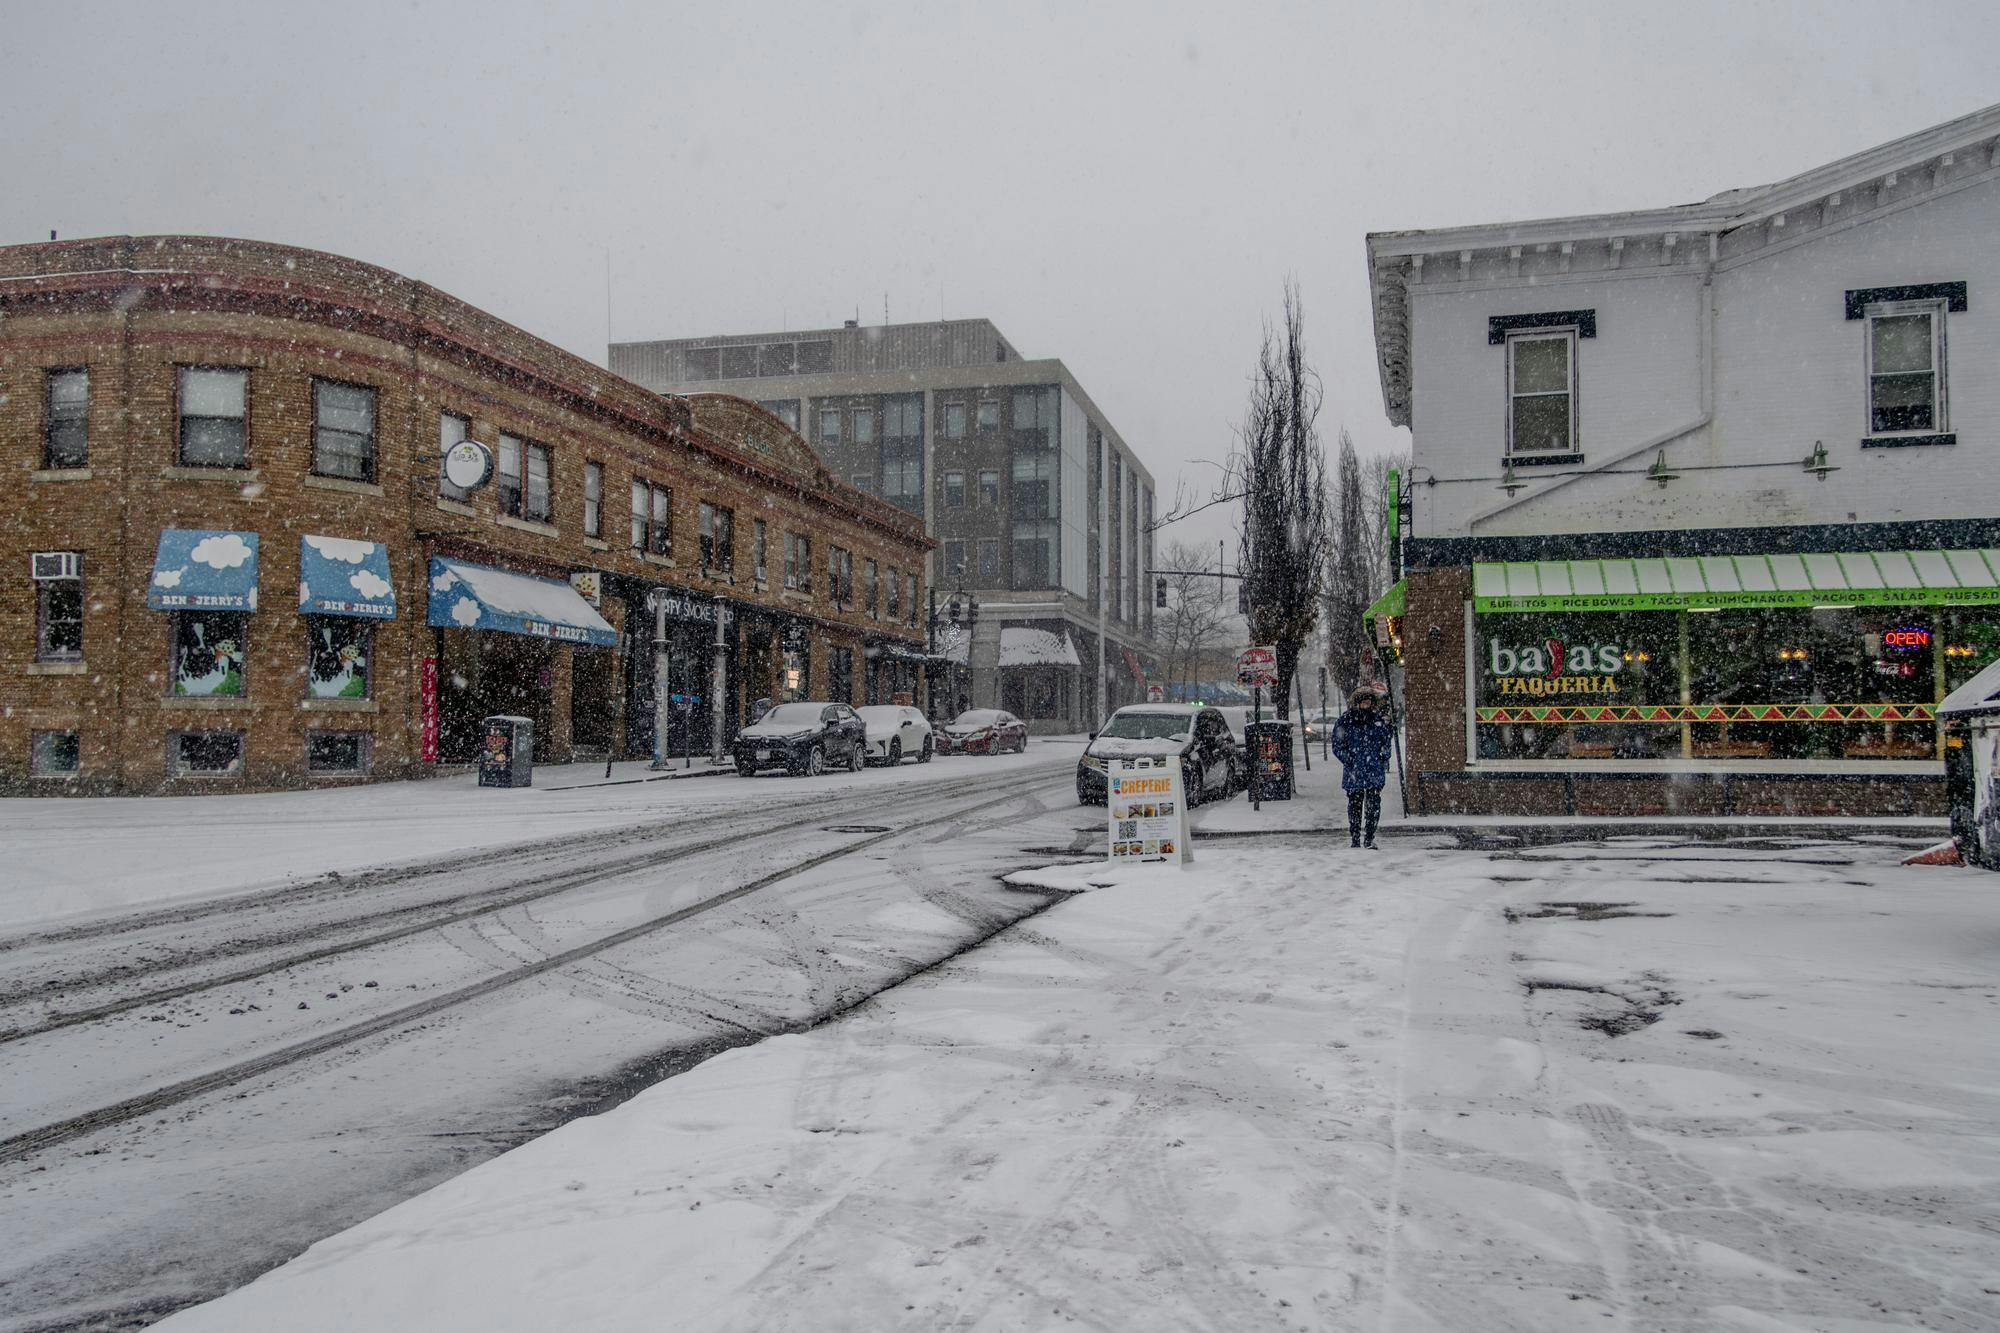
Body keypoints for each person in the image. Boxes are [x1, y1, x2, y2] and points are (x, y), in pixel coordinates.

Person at [1331, 685, 1394, 849]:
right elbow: (1337, 745)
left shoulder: (1377, 721)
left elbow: (1385, 743)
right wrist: (1350, 760)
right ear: (1357, 703)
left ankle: (1369, 837)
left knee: (1373, 807)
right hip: (1355, 771)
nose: (1367, 706)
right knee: (1355, 806)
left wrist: (1382, 757)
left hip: (1373, 770)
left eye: (1369, 703)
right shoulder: (1346, 721)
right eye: (1364, 703)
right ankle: (1355, 837)